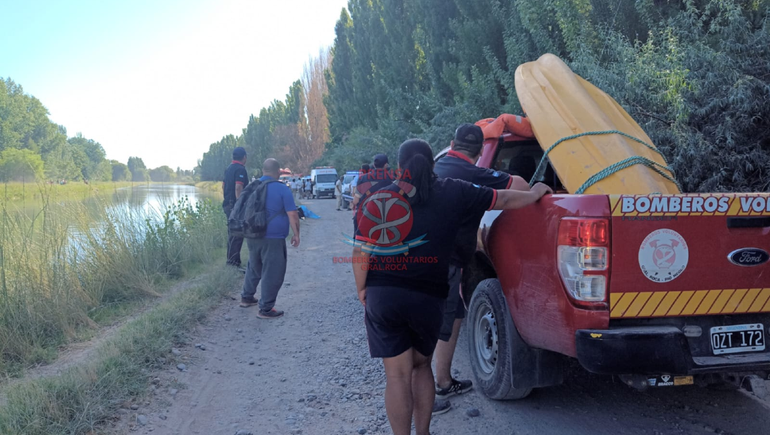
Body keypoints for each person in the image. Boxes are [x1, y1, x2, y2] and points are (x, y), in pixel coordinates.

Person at [352, 139, 551, 435]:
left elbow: (361, 253)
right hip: (429, 297)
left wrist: (362, 289)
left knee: (396, 377)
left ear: (398, 168)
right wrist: (536, 191)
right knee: (421, 367)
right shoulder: (455, 190)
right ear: (433, 164)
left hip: (385, 295)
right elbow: (505, 199)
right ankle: (423, 433)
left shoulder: (377, 199)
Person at [431, 123, 531, 412]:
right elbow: (519, 190)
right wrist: (536, 188)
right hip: (445, 261)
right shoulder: (475, 174)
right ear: (478, 153)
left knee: (452, 315)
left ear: (452, 143)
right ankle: (431, 387)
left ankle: (441, 380)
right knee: (441, 320)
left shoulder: (438, 166)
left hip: (425, 256)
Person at [240, 158, 301, 319]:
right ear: (278, 172)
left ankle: (246, 297)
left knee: (254, 266)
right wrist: (296, 234)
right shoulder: (282, 188)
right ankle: (266, 309)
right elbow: (293, 214)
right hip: (273, 238)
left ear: (263, 170)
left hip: (252, 235)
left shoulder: (253, 186)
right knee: (273, 271)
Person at [222, 147, 249, 270]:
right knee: (237, 234)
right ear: (244, 157)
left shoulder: (228, 168)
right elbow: (238, 187)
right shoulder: (240, 169)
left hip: (228, 204)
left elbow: (223, 186)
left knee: (232, 233)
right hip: (235, 206)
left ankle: (232, 261)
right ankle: (233, 263)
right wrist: (240, 205)